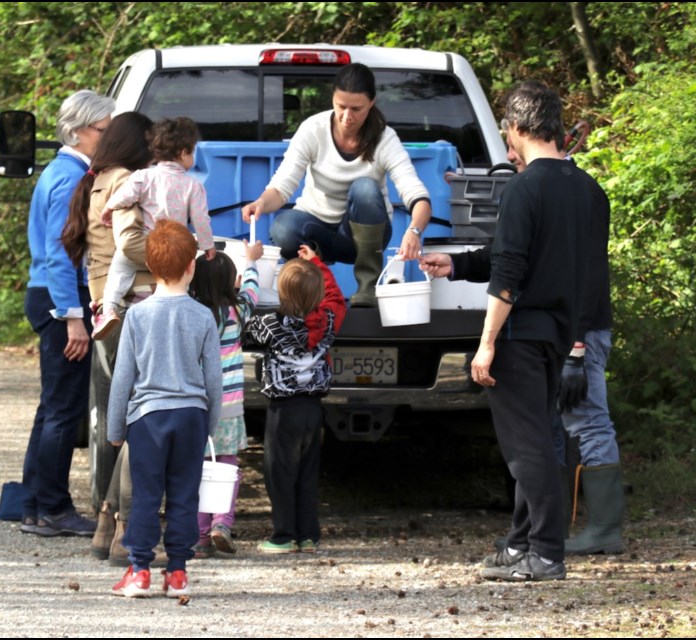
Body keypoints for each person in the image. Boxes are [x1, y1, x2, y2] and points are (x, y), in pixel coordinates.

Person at [422, 119, 622, 558]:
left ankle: (573, 538)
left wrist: (573, 347)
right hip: (558, 332)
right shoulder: (573, 187)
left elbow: (577, 273)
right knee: (544, 435)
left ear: (516, 127)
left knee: (566, 429)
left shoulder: (546, 188)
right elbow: (511, 255)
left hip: (561, 332)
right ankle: (528, 540)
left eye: (507, 136)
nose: (507, 151)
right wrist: (456, 266)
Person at [241, 62, 432, 307]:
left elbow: (417, 195)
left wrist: (414, 231)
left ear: (371, 103)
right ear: (332, 98)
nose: (346, 117)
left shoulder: (385, 138)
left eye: (356, 109)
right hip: (316, 227)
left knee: (365, 187)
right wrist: (260, 203)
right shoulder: (313, 129)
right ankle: (308, 292)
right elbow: (282, 185)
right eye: (341, 106)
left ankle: (367, 287)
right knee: (282, 228)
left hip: (363, 237)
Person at [107, 220, 222, 598]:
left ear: (151, 269)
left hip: (148, 418)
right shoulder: (204, 316)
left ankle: (139, 570)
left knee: (146, 494)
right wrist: (211, 426)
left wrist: (115, 429)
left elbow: (123, 377)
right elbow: (213, 381)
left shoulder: (137, 316)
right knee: (185, 495)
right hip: (191, 417)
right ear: (192, 266)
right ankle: (177, 572)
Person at [19, 90, 115, 538]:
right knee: (64, 408)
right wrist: (73, 315)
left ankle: (35, 503)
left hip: (51, 296)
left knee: (52, 407)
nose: (109, 136)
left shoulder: (62, 172)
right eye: (104, 130)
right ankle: (54, 507)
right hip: (60, 299)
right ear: (79, 131)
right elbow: (60, 253)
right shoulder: (71, 178)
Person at [61, 111, 155, 561]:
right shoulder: (125, 181)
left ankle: (104, 521)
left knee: (111, 422)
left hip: (104, 310)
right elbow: (130, 244)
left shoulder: (96, 179)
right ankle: (126, 530)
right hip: (132, 308)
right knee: (141, 419)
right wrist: (180, 249)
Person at [245, 244, 347, 553]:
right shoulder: (327, 323)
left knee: (280, 472)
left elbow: (242, 323)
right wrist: (318, 263)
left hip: (283, 410)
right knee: (306, 472)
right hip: (313, 410)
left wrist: (248, 277)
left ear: (282, 294)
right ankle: (308, 535)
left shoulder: (272, 325)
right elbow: (336, 298)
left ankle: (283, 536)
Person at [92, 116, 217, 339]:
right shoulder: (193, 186)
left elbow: (124, 196)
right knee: (178, 281)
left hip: (148, 244)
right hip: (175, 247)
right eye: (193, 151)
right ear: (183, 153)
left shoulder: (143, 177)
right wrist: (208, 246)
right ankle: (179, 315)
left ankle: (109, 308)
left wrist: (108, 209)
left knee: (120, 268)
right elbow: (201, 219)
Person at [188, 240, 263, 558]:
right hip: (229, 408)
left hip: (196, 408)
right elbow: (252, 291)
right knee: (226, 468)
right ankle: (222, 524)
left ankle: (201, 538)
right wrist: (251, 261)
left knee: (196, 471)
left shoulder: (190, 315)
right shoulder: (237, 311)